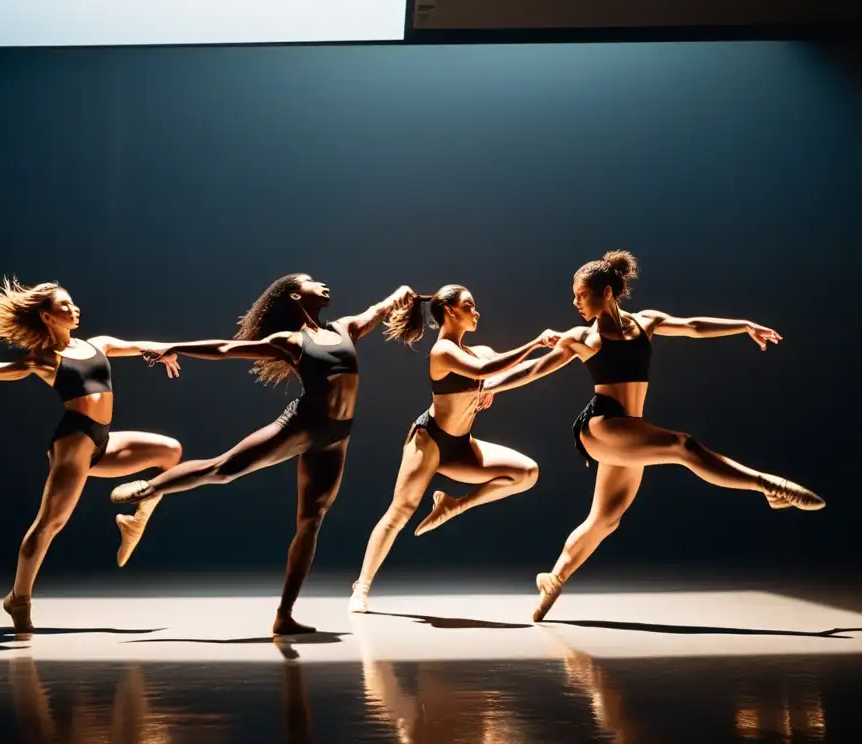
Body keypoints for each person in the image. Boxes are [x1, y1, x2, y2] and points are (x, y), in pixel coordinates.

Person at [480, 251, 825, 622]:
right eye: (574, 295)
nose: (575, 302)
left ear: (607, 291)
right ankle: (771, 486)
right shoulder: (582, 337)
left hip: (631, 431)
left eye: (581, 294)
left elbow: (693, 326)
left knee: (606, 520)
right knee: (683, 446)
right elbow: (536, 370)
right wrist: (493, 386)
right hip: (601, 425)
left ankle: (554, 578)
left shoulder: (646, 322)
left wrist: (743, 325)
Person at [109, 274, 416, 635]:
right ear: (294, 294)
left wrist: (398, 296)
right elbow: (225, 349)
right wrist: (174, 346)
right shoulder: (289, 340)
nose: (322, 283)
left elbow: (377, 311)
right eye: (311, 281)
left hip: (335, 439)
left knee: (310, 523)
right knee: (223, 468)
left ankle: (284, 616)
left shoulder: (345, 328)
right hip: (299, 426)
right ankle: (148, 490)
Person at [0, 277, 185, 633]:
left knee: (171, 452)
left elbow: (139, 345)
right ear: (47, 317)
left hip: (103, 440)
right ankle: (19, 598)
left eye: (73, 302)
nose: (73, 308)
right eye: (64, 305)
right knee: (50, 524)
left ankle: (136, 519)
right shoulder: (44, 359)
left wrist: (166, 350)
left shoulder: (99, 344)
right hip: (74, 439)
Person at [347, 285, 558, 613]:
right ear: (449, 311)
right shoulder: (442, 352)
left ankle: (453, 506)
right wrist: (534, 342)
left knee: (527, 472)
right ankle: (361, 587)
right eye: (469, 306)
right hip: (429, 440)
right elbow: (483, 373)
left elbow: (514, 372)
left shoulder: (481, 351)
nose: (477, 312)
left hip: (461, 446)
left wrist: (561, 353)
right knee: (401, 510)